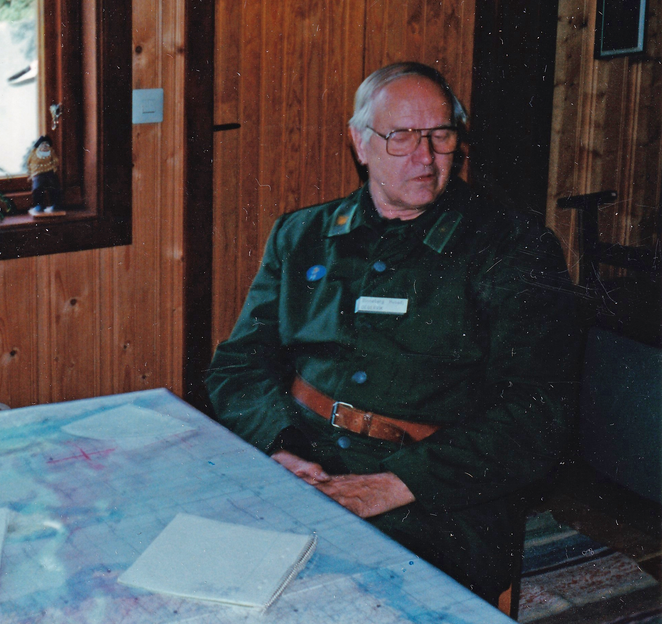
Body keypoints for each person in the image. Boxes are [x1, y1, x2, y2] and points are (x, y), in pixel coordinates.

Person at [206, 62, 581, 604]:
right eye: (401, 136)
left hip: (437, 490)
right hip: (300, 453)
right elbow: (239, 366)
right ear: (361, 143)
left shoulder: (513, 249)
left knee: (337, 601)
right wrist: (282, 448)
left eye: (440, 136)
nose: (424, 157)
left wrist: (392, 485)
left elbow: (538, 413)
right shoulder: (303, 234)